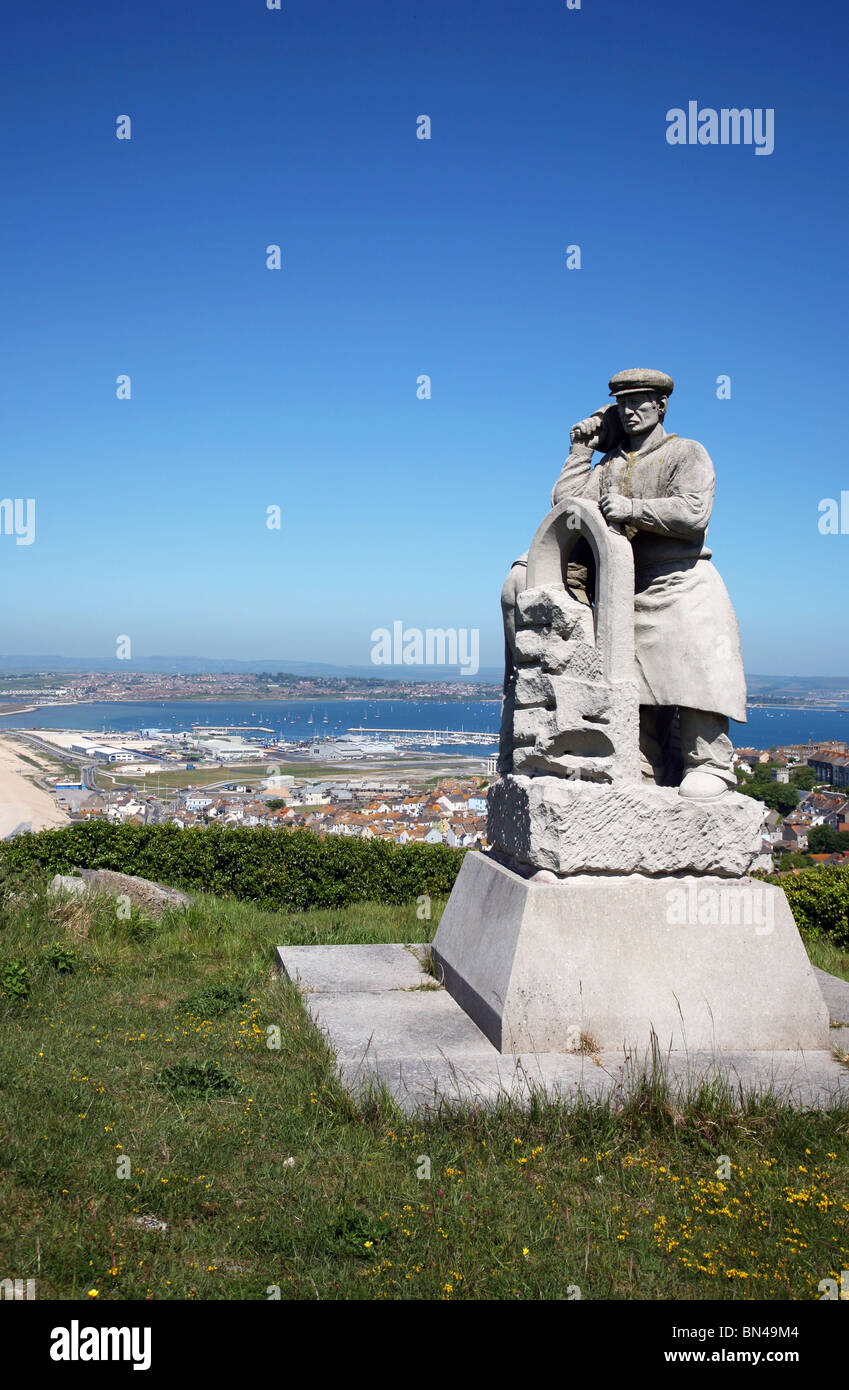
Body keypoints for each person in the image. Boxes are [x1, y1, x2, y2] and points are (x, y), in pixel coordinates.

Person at [500, 368, 746, 800]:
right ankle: (646, 767)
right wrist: (582, 449)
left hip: (680, 580)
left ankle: (710, 762)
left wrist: (632, 507)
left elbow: (693, 513)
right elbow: (567, 502)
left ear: (661, 405)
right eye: (622, 405)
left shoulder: (686, 453)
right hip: (625, 590)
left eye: (639, 402)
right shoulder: (610, 465)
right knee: (635, 694)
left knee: (694, 674)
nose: (630, 411)